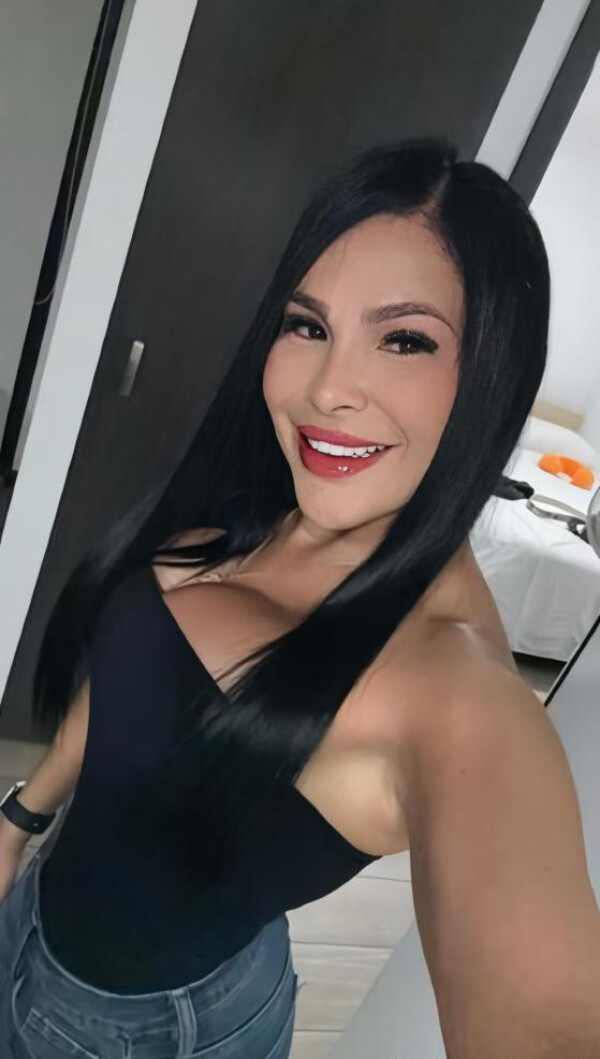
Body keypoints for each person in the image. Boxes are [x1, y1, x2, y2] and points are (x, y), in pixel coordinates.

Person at [1, 138, 599, 1059]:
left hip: (140, 1031)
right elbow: (126, 688)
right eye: (308, 325)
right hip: (38, 905)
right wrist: (21, 817)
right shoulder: (262, 504)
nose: (327, 390)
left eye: (404, 339)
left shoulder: (454, 690)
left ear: (493, 373)